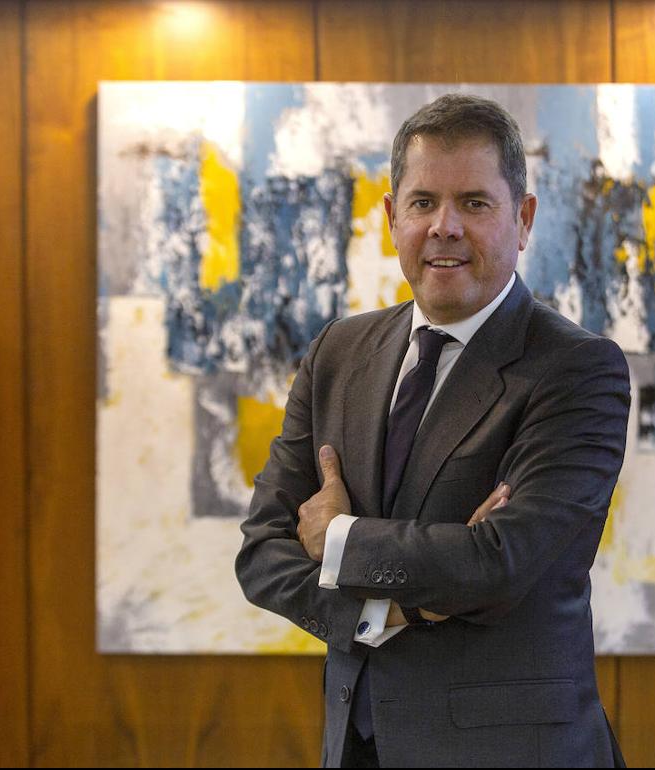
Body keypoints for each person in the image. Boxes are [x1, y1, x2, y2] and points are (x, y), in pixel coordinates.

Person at [235, 93, 630, 768]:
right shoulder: (338, 352)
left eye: (474, 203)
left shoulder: (577, 369)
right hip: (355, 747)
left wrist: (337, 538)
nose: (444, 227)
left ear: (523, 219)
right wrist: (387, 614)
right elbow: (263, 550)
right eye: (423, 203)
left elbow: (497, 564)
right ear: (393, 218)